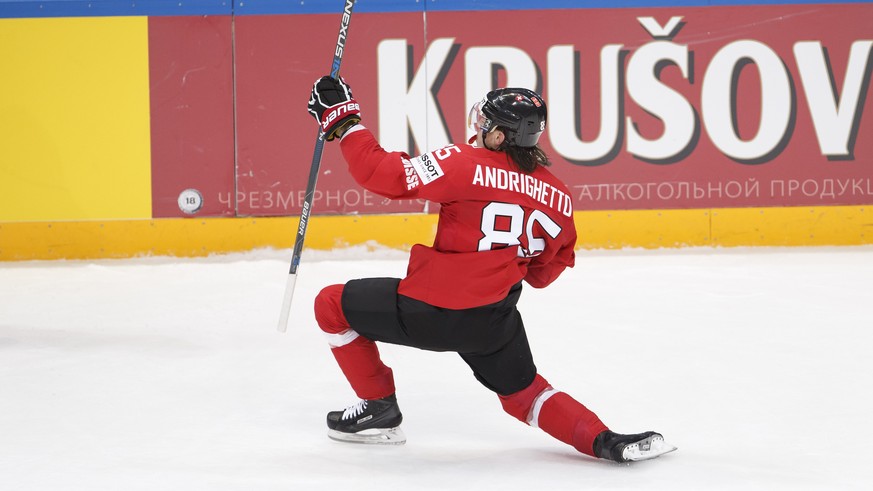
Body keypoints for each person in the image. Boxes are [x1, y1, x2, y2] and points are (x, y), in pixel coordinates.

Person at [305, 76, 676, 462]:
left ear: (499, 137)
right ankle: (606, 441)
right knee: (526, 394)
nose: (476, 130)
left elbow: (384, 175)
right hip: (492, 322)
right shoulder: (559, 195)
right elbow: (543, 274)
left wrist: (344, 121)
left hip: (428, 311)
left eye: (483, 125)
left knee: (330, 304)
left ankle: (378, 408)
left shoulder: (461, 162)